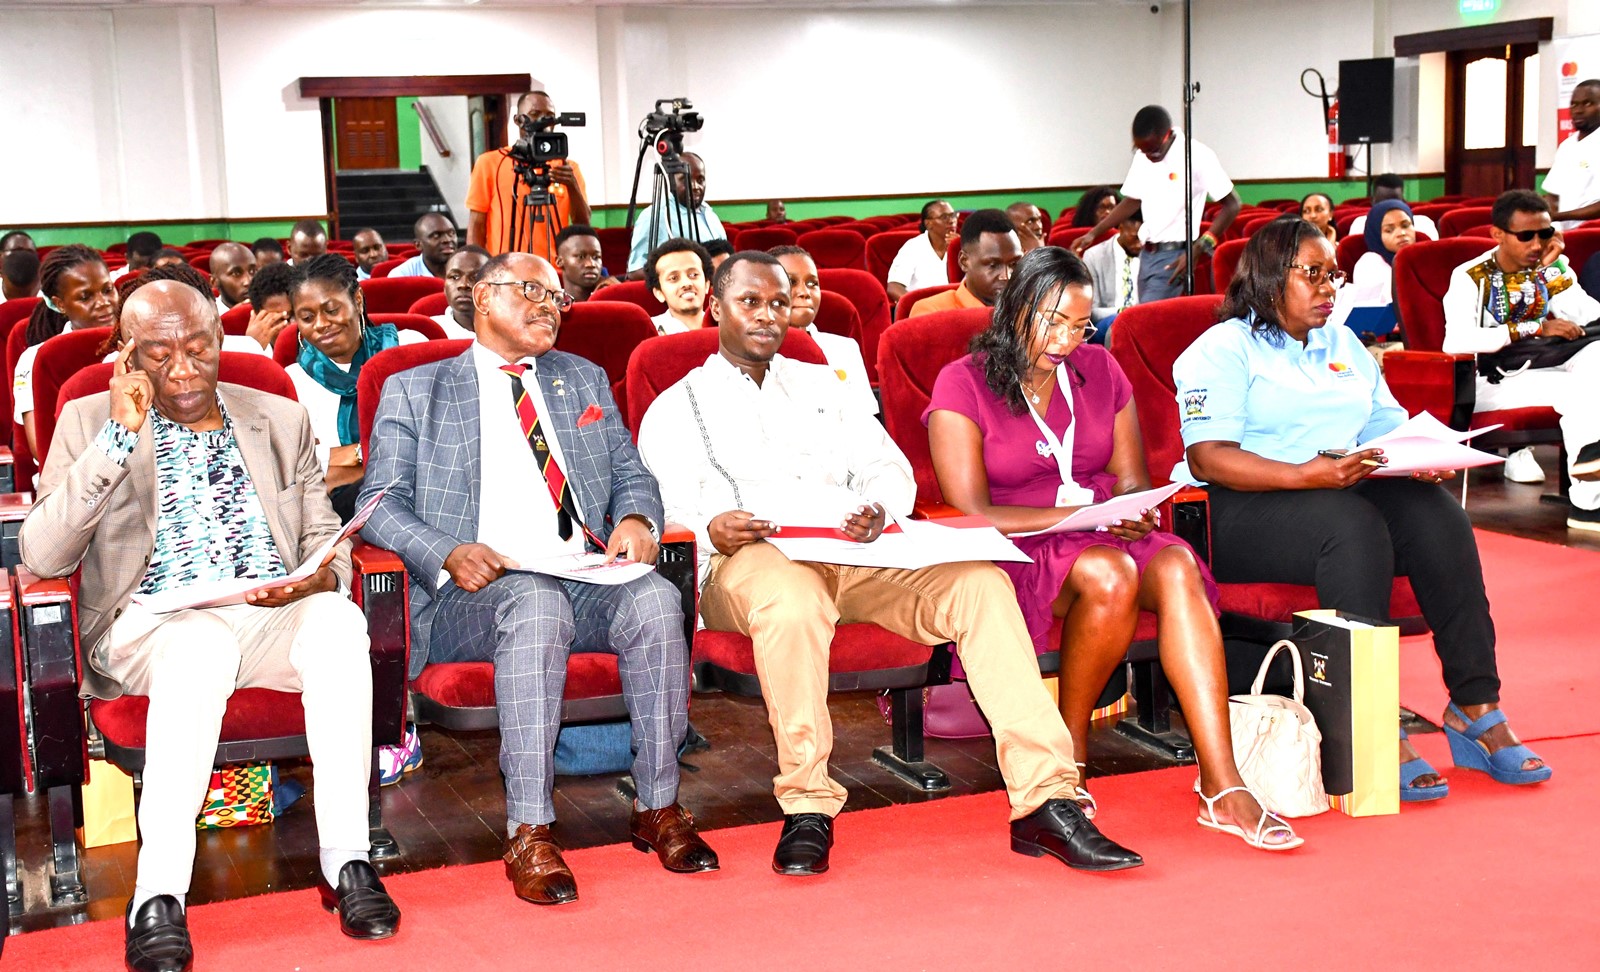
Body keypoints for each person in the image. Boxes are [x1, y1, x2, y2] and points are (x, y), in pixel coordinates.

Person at [637, 251, 1141, 877]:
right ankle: (808, 805)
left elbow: (888, 466)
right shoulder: (677, 405)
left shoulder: (824, 386)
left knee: (979, 585)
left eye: (778, 302)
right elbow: (664, 506)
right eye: (750, 302)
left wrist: (880, 506)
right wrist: (714, 525)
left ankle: (1046, 798)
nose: (768, 316)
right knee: (793, 599)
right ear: (716, 307)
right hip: (750, 560)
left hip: (855, 552)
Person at [21, 280, 400, 972]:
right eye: (159, 354)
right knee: (198, 645)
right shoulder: (86, 419)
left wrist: (322, 574)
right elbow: (43, 554)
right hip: (150, 627)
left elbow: (323, 530)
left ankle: (347, 861)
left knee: (340, 624)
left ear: (221, 341)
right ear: (125, 354)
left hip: (264, 612)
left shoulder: (275, 416)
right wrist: (117, 436)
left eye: (198, 347)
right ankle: (157, 894)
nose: (184, 367)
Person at [360, 251, 718, 905]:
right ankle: (530, 830)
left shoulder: (578, 378)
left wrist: (637, 516)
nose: (546, 305)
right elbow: (377, 503)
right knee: (533, 601)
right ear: (482, 296)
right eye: (529, 290)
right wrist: (446, 551)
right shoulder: (417, 388)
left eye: (556, 297)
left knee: (656, 597)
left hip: (581, 573)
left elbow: (630, 470)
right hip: (477, 593)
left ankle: (658, 806)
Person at [925, 247, 1298, 850]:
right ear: (1013, 308)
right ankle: (1068, 754)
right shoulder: (962, 381)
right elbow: (971, 509)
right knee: (1109, 573)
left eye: (1079, 324)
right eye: (1051, 321)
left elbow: (1129, 480)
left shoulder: (1100, 369)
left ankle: (1222, 784)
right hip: (1020, 543)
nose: (1066, 339)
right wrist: (1076, 516)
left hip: (1102, 530)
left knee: (1175, 563)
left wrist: (1135, 510)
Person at [1173, 217, 1551, 801]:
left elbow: (1383, 423)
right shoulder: (1219, 351)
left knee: (1435, 514)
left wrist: (1422, 454)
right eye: (1315, 275)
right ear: (1271, 278)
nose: (1330, 288)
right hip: (1237, 506)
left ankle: (1476, 706)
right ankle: (1371, 724)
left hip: (1332, 487)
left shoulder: (1341, 341)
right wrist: (1304, 475)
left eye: (1336, 275)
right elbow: (1209, 458)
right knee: (1352, 528)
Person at [1442, 190, 1600, 529]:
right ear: (1497, 234)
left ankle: (1592, 456)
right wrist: (1533, 327)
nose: (1537, 243)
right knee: (1578, 390)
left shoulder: (1551, 267)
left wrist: (1553, 272)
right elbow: (1455, 340)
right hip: (1490, 379)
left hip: (1547, 365)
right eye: (1525, 235)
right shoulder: (1470, 276)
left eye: (1545, 233)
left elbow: (1590, 316)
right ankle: (1588, 504)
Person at [1073, 106, 1242, 304]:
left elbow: (1233, 204)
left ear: (1167, 135)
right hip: (1147, 254)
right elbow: (1132, 200)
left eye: (1154, 150)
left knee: (1144, 322)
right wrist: (1094, 233)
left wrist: (1198, 248)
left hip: (1176, 256)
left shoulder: (1196, 155)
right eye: (1142, 151)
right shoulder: (1143, 155)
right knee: (1146, 318)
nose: (1149, 156)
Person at [15, 245, 118, 459]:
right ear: (60, 304)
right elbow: (43, 448)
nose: (103, 303)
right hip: (69, 480)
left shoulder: (139, 344)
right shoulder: (36, 359)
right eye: (85, 297)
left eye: (108, 290)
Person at [466, 90, 593, 260]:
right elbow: (477, 225)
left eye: (549, 115)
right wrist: (475, 267)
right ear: (518, 120)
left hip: (554, 271)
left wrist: (572, 186)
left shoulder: (567, 167)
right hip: (506, 269)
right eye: (535, 114)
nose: (543, 121)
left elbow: (583, 225)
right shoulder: (490, 163)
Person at [769, 245, 878, 416]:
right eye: (791, 282)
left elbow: (866, 420)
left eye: (812, 283)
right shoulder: (752, 352)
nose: (805, 292)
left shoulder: (845, 348)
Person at [1328, 201, 1413, 347]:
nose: (1402, 233)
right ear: (1376, 234)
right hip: (1385, 340)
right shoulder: (1370, 263)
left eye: (1406, 225)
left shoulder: (1425, 259)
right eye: (1389, 230)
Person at [626, 152, 727, 276]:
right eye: (686, 179)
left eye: (700, 180)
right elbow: (635, 273)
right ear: (671, 181)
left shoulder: (709, 214)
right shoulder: (654, 216)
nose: (695, 186)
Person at [907, 209, 1021, 317]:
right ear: (964, 262)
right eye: (993, 265)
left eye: (1014, 264)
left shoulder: (1029, 307)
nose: (1007, 276)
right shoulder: (933, 312)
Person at [1543, 78, 1600, 230]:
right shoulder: (1566, 146)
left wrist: (1558, 216)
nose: (1578, 110)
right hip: (1561, 234)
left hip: (1593, 234)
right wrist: (1545, 217)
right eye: (1574, 104)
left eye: (1587, 103)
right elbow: (1553, 194)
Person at [1082, 207, 1143, 334]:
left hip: (1143, 319)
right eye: (1134, 237)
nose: (1140, 244)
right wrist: (1124, 312)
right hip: (1109, 321)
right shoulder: (1094, 256)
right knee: (1120, 326)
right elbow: (1091, 311)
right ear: (1120, 227)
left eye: (1144, 239)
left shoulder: (1151, 255)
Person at [887, 199, 957, 305]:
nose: (951, 221)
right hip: (921, 309)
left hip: (956, 307)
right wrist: (919, 306)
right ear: (928, 224)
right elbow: (894, 287)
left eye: (953, 215)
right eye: (944, 217)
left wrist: (959, 247)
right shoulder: (913, 247)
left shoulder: (963, 246)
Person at [645, 238, 711, 335]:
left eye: (693, 275)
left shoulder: (729, 327)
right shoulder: (649, 331)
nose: (686, 283)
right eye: (674, 278)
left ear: (706, 284)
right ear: (659, 293)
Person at [1349, 174, 1439, 239]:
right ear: (1372, 202)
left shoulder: (1424, 224)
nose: (1389, 207)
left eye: (1395, 202)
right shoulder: (1360, 225)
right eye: (1383, 203)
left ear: (1404, 202)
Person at [433, 245, 491, 341]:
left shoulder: (511, 332)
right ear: (444, 286)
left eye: (475, 277)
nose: (464, 285)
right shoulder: (429, 331)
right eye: (455, 277)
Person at [388, 213, 457, 279]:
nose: (447, 240)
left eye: (451, 233)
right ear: (418, 245)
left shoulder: (467, 267)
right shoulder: (402, 274)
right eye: (436, 235)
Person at [553, 225, 607, 303]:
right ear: (559, 261)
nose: (591, 264)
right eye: (581, 257)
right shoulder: (551, 307)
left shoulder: (613, 300)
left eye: (596, 257)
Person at [208, 242, 255, 313]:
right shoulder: (209, 317)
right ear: (214, 282)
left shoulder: (269, 311)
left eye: (252, 271)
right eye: (236, 273)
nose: (248, 281)